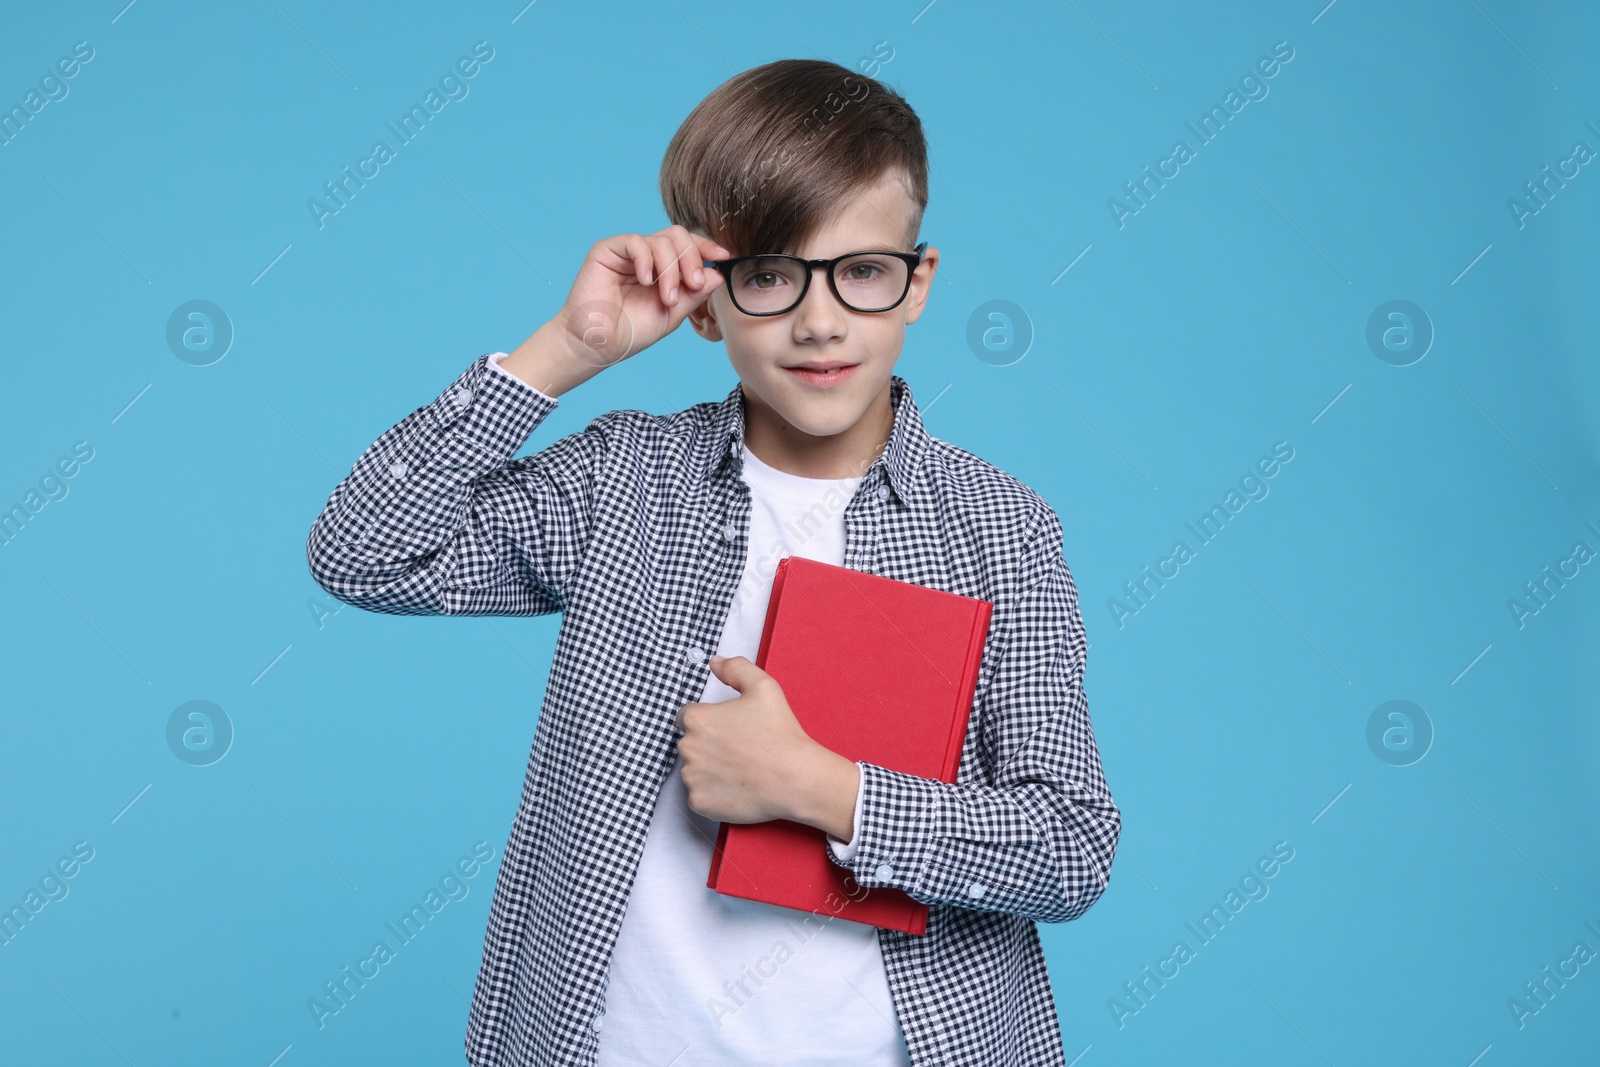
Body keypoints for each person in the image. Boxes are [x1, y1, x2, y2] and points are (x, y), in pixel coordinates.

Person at [306, 57, 1120, 1067]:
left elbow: (1069, 847)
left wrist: (823, 787)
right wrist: (565, 350)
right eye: (772, 274)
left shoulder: (998, 529)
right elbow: (365, 552)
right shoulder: (627, 480)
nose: (819, 321)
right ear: (704, 299)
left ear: (918, 283)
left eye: (862, 271)